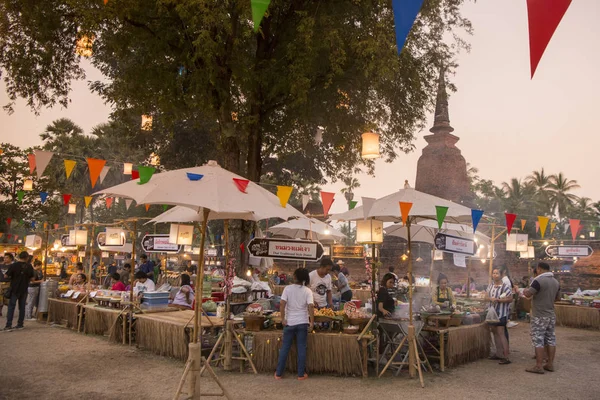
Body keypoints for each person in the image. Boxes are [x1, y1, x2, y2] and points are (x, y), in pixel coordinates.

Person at [274, 268, 314, 381]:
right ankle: (301, 375)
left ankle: (278, 373)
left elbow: (282, 304)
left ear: (295, 277)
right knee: (301, 348)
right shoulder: (307, 291)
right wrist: (312, 322)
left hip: (289, 323)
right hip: (302, 323)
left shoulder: (287, 289)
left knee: (285, 348)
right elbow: (311, 306)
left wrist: (283, 319)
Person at [522, 262, 560, 374]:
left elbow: (528, 294)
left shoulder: (538, 281)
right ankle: (550, 364)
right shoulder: (556, 282)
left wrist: (524, 291)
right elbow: (558, 298)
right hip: (551, 314)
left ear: (539, 269)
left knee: (538, 340)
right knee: (551, 339)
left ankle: (539, 366)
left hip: (539, 315)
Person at [485, 267, 513, 364]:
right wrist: (490, 298)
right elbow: (486, 296)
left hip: (501, 313)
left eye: (497, 273)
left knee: (501, 333)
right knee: (494, 333)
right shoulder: (491, 285)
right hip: (492, 313)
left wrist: (498, 300)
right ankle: (498, 353)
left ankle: (506, 356)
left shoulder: (505, 286)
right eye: (493, 273)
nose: (495, 275)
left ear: (501, 275)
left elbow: (510, 299)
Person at [3, 251, 35, 331]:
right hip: (24, 289)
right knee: (22, 307)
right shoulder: (29, 266)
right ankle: (20, 324)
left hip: (14, 289)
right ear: (27, 258)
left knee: (11, 307)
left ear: (19, 257)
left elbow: (6, 275)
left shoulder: (14, 265)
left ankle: (8, 325)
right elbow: (32, 278)